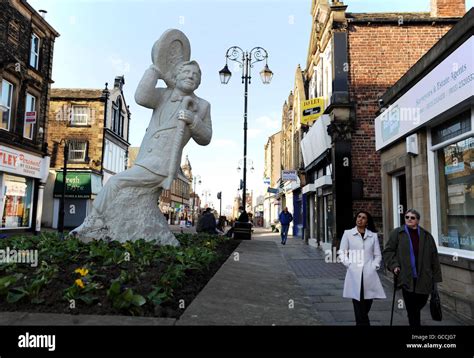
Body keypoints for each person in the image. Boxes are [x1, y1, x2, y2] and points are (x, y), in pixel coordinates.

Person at [72, 60, 212, 233]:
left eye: (195, 75)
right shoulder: (163, 95)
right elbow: (141, 97)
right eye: (187, 72)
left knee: (115, 182)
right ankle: (122, 227)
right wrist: (155, 70)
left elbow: (206, 137)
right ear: (176, 75)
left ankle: (93, 222)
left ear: (199, 82)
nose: (191, 76)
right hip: (146, 157)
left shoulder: (203, 106)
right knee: (130, 194)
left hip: (163, 163)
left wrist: (193, 120)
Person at [383, 209, 442, 326]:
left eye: (412, 217)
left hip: (424, 277)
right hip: (406, 276)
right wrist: (394, 266)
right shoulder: (397, 233)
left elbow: (434, 257)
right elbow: (388, 251)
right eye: (407, 217)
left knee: (421, 302)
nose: (409, 219)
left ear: (418, 220)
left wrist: (435, 278)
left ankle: (414, 318)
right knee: (411, 307)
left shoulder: (426, 236)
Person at [338, 211, 386, 325]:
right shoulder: (348, 233)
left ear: (367, 221)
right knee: (358, 303)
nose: (360, 219)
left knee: (367, 303)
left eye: (363, 218)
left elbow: (378, 255)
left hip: (369, 275)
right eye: (359, 217)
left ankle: (361, 322)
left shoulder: (372, 235)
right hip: (354, 274)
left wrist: (374, 266)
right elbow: (342, 252)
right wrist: (349, 264)